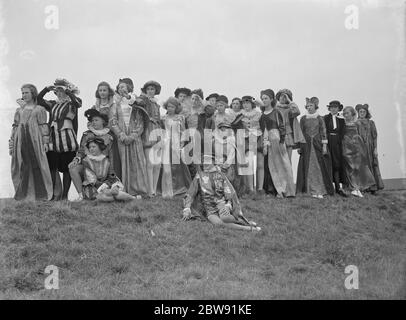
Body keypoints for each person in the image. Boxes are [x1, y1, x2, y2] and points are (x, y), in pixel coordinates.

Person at [182, 155, 261, 232]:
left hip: (222, 204)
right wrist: (187, 208)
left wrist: (228, 204)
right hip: (209, 209)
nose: (205, 163)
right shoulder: (199, 176)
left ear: (213, 162)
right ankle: (248, 228)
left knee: (225, 218)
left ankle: (243, 221)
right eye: (203, 161)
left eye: (208, 161)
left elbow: (229, 191)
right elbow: (191, 193)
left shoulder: (221, 175)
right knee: (217, 223)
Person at [37, 78, 82, 200]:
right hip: (53, 139)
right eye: (57, 91)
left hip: (68, 139)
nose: (59, 93)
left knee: (67, 169)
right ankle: (54, 193)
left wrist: (68, 92)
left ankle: (64, 196)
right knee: (53, 167)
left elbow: (78, 103)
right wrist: (46, 89)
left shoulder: (72, 103)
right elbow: (38, 100)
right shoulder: (53, 104)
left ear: (67, 91)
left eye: (62, 90)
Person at [9, 84, 53, 201]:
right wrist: (12, 143)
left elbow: (44, 126)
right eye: (22, 93)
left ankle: (40, 194)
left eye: (26, 92)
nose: (24, 95)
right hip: (21, 141)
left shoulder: (40, 109)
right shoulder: (19, 110)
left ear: (33, 93)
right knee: (22, 165)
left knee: (38, 164)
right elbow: (15, 126)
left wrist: (45, 142)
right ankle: (24, 194)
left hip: (35, 140)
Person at [110, 78, 149, 197]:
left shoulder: (135, 103)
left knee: (137, 162)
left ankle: (140, 190)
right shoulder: (115, 105)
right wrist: (121, 135)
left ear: (129, 88)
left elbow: (141, 122)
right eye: (119, 87)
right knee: (124, 162)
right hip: (122, 138)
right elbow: (113, 122)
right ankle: (126, 190)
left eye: (123, 86)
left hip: (134, 138)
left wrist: (133, 136)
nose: (121, 89)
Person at [68, 109, 115, 201]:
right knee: (73, 169)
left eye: (96, 120)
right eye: (92, 120)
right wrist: (76, 159)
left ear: (103, 121)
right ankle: (82, 195)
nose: (93, 122)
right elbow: (81, 150)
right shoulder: (87, 134)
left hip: (104, 166)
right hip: (88, 165)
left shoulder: (110, 136)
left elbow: (112, 154)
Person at [259, 90, 295, 198]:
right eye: (263, 98)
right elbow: (263, 131)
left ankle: (287, 190)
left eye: (266, 98)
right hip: (269, 141)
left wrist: (282, 141)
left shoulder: (276, 112)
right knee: (271, 166)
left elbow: (282, 127)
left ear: (271, 99)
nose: (264, 100)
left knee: (282, 164)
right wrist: (265, 144)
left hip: (277, 140)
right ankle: (276, 190)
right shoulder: (262, 116)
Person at [296, 97, 334, 198]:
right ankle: (309, 189)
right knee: (307, 166)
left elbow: (323, 131)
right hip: (306, 146)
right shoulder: (303, 119)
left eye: (311, 105)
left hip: (318, 145)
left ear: (315, 106)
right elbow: (301, 132)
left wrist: (324, 145)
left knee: (319, 166)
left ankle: (320, 189)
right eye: (307, 106)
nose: (309, 108)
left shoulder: (320, 118)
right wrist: (300, 146)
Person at [81, 137, 135, 202]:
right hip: (93, 186)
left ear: (100, 147)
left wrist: (112, 186)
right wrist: (104, 189)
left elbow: (112, 175)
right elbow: (91, 178)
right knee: (106, 197)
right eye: (90, 147)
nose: (91, 149)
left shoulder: (106, 160)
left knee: (116, 193)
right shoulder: (86, 161)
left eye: (93, 147)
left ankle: (132, 198)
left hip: (107, 183)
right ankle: (116, 197)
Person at [159, 97, 192, 199]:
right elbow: (161, 131)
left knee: (178, 168)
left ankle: (179, 188)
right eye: (168, 106)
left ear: (176, 108)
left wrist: (182, 144)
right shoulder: (163, 118)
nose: (170, 108)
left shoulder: (180, 118)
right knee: (166, 167)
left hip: (176, 143)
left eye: (172, 106)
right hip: (165, 143)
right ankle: (166, 189)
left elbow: (184, 131)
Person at [341, 106, 375, 197]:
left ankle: (357, 188)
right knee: (350, 167)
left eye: (347, 113)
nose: (345, 115)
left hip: (356, 147)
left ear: (352, 114)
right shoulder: (343, 123)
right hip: (346, 146)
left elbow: (361, 136)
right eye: (344, 113)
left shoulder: (357, 123)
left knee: (358, 167)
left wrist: (362, 147)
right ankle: (352, 187)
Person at [91, 81, 121, 179]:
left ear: (109, 92)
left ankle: (114, 181)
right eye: (100, 90)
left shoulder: (114, 105)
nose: (102, 92)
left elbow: (115, 120)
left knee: (112, 159)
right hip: (98, 135)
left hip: (111, 134)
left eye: (104, 90)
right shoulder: (95, 106)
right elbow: (92, 121)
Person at [138, 80, 162, 197]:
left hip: (158, 131)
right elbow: (138, 102)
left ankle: (154, 189)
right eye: (148, 89)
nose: (150, 91)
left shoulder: (156, 103)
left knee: (157, 163)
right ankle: (149, 190)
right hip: (148, 131)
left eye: (152, 89)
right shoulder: (145, 100)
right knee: (149, 163)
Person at [355, 104, 384, 193]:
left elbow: (375, 136)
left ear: (367, 113)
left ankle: (373, 188)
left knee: (372, 166)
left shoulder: (371, 123)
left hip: (370, 148)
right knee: (363, 167)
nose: (362, 113)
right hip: (361, 148)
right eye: (361, 112)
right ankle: (364, 187)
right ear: (358, 113)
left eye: (364, 111)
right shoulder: (356, 123)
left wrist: (375, 149)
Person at [238, 95, 262, 197]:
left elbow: (263, 126)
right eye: (244, 103)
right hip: (246, 139)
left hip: (257, 137)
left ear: (252, 104)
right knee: (249, 164)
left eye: (247, 102)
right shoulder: (240, 115)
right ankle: (250, 188)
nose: (245, 105)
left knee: (259, 164)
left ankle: (259, 188)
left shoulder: (258, 113)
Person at [324, 100, 347, 197]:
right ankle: (328, 188)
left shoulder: (341, 120)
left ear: (339, 108)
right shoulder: (325, 118)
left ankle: (338, 187)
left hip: (337, 143)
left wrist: (340, 142)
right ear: (329, 108)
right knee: (328, 163)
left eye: (335, 107)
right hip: (328, 142)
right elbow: (323, 130)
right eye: (331, 107)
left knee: (337, 164)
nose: (333, 109)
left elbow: (343, 132)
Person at [275, 89, 305, 160]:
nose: (283, 98)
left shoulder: (290, 109)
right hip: (277, 134)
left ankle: (288, 171)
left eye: (285, 97)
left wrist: (290, 101)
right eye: (281, 96)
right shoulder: (275, 109)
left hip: (287, 134)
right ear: (278, 97)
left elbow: (297, 112)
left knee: (288, 159)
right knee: (278, 160)